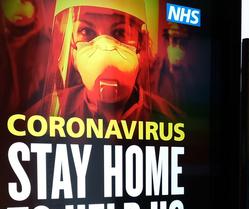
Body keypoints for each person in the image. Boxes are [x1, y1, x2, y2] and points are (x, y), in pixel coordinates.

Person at [29, 0, 181, 121]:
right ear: (71, 47)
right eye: (86, 31)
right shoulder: (47, 113)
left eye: (120, 32)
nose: (105, 46)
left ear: (141, 44)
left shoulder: (168, 120)